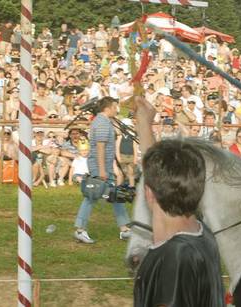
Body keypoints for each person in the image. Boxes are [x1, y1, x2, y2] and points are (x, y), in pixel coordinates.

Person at [132, 95, 225, 307]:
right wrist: (144, 123)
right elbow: (157, 174)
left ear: (148, 193)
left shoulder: (173, 259)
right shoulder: (202, 233)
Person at [73, 97, 131, 244]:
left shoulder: (102, 121)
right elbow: (100, 148)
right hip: (101, 167)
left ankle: (125, 229)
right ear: (108, 108)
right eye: (115, 107)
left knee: (116, 195)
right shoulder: (102, 123)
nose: (116, 110)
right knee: (92, 196)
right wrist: (102, 171)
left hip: (103, 165)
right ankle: (80, 230)